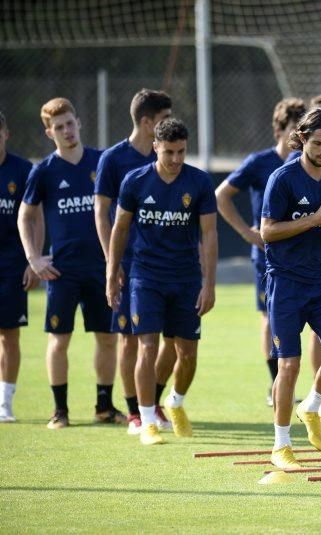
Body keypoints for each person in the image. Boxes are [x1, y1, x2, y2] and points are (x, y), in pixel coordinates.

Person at [214, 98, 321, 415]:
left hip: (318, 270)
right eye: (314, 141)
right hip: (275, 263)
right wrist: (247, 233)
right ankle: (277, 384)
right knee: (272, 325)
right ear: (290, 132)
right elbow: (224, 196)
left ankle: (316, 397)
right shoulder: (265, 166)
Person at [106, 118, 218, 446]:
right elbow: (120, 229)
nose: (175, 159)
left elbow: (209, 235)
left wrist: (209, 283)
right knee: (148, 346)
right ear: (155, 146)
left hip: (186, 279)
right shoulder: (135, 181)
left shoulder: (199, 182)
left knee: (188, 353)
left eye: (181, 151)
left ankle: (176, 402)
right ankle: (148, 420)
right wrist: (112, 273)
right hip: (146, 277)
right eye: (168, 151)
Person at [18, 98, 122, 429]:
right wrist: (33, 258)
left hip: (100, 268)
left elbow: (121, 209)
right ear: (50, 133)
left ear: (79, 122)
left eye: (70, 123)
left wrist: (116, 259)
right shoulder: (44, 171)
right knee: (59, 339)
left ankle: (104, 406)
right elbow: (25, 215)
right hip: (62, 271)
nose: (67, 131)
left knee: (107, 337)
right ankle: (59, 410)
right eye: (59, 127)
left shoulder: (102, 161)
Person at [259, 108, 321, 470]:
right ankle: (281, 444)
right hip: (286, 282)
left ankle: (311, 406)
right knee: (289, 365)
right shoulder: (282, 178)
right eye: (317, 143)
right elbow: (267, 231)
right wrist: (314, 219)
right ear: (301, 138)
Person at [94, 89, 175, 435]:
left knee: (171, 339)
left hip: (169, 264)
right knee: (130, 339)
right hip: (131, 264)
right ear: (146, 122)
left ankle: (153, 400)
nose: (169, 125)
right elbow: (101, 213)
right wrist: (113, 262)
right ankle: (134, 411)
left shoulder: (169, 158)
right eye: (163, 118)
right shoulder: (113, 160)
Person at [0, 111, 38, 422]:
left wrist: (32, 259)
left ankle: (5, 403)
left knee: (9, 336)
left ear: (6, 133)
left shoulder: (23, 170)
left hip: (12, 266)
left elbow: (35, 217)